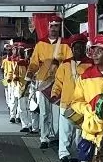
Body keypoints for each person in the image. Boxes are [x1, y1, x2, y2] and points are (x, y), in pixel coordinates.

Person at [27, 18, 71, 150]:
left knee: (57, 112)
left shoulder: (65, 44)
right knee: (44, 112)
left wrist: (58, 63)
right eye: (52, 26)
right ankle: (44, 138)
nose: (54, 29)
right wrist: (29, 73)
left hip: (59, 82)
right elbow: (34, 62)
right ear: (48, 27)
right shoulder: (41, 44)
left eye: (56, 26)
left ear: (59, 28)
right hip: (43, 82)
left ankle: (56, 137)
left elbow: (70, 62)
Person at [53, 34, 91, 162]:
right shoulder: (65, 65)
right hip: (66, 105)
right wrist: (54, 94)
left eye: (81, 47)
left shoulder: (91, 65)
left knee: (81, 134)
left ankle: (82, 158)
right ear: (72, 49)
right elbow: (58, 82)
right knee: (65, 132)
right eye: (76, 48)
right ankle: (64, 157)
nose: (79, 50)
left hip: (83, 106)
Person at [2, 44, 22, 124]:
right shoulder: (5, 60)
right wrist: (5, 82)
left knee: (18, 100)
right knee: (10, 98)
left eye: (12, 50)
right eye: (8, 50)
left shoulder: (19, 61)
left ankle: (17, 116)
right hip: (9, 81)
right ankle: (12, 115)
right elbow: (3, 71)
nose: (10, 51)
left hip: (18, 83)